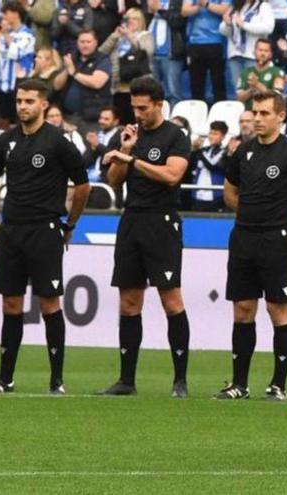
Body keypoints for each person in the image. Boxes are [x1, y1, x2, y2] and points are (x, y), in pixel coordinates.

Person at [0, 79, 91, 395]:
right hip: (12, 230)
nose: (23, 106)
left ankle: (57, 380)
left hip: (45, 229)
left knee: (49, 304)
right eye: (19, 101)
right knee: (11, 304)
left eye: (29, 101)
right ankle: (5, 378)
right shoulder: (7, 140)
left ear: (43, 104)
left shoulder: (58, 141)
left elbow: (83, 186)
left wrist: (69, 225)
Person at [217, 91, 287, 400]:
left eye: (264, 113)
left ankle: (278, 385)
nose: (258, 119)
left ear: (280, 117)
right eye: (255, 113)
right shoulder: (243, 152)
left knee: (278, 308)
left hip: (277, 240)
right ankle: (239, 384)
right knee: (243, 309)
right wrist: (251, 216)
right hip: (244, 237)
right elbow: (229, 192)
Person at [100, 76, 192, 397]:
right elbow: (113, 181)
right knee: (128, 302)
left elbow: (172, 175)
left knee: (170, 299)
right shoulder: (127, 136)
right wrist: (124, 149)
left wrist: (131, 159)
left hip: (162, 222)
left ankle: (179, 380)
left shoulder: (176, 136)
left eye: (143, 108)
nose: (138, 114)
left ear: (158, 105)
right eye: (134, 107)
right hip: (131, 220)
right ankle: (127, 380)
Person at [99, 8, 154, 124]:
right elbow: (102, 52)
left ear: (141, 21)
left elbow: (146, 51)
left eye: (135, 18)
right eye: (129, 18)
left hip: (138, 85)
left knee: (138, 119)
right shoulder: (118, 38)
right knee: (122, 120)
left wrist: (130, 36)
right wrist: (114, 36)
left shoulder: (145, 35)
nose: (131, 21)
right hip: (118, 85)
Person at [54, 30, 112, 131]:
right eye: (82, 42)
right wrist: (67, 70)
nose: (85, 45)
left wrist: (74, 73)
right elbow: (56, 85)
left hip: (92, 118)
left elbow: (97, 83)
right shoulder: (72, 58)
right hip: (68, 116)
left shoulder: (103, 60)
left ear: (95, 43)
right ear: (77, 43)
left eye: (88, 42)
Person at [0, 2, 36, 130]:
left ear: (16, 14)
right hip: (2, 83)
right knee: (3, 120)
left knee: (20, 120)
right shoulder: (5, 33)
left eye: (6, 13)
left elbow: (16, 53)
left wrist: (5, 35)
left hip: (19, 83)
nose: (3, 16)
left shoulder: (28, 34)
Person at [182, 0, 231, 103]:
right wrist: (198, 7)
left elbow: (225, 9)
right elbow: (184, 11)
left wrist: (206, 4)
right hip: (195, 43)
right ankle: (197, 111)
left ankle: (220, 112)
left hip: (216, 42)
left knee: (218, 82)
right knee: (196, 84)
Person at [219, 0, 273, 94]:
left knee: (256, 90)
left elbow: (268, 27)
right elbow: (223, 31)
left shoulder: (263, 6)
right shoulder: (235, 7)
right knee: (239, 91)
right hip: (235, 54)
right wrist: (227, 24)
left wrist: (245, 25)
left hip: (253, 56)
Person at [147, 0, 187, 106]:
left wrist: (160, 10)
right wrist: (150, 11)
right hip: (152, 54)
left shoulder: (178, 2)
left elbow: (178, 21)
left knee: (174, 92)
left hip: (171, 54)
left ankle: (174, 120)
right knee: (152, 93)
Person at [189, 120, 227, 211]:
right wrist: (193, 150)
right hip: (197, 195)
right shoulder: (204, 150)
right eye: (210, 133)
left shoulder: (224, 152)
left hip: (215, 196)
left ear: (223, 136)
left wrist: (198, 150)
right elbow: (191, 165)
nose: (211, 136)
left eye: (215, 134)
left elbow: (211, 165)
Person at [237, 39, 284, 110]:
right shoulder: (246, 72)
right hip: (249, 113)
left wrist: (257, 85)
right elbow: (239, 98)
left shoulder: (278, 72)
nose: (262, 53)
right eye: (260, 50)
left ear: (271, 54)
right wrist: (251, 89)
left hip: (268, 113)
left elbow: (277, 97)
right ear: (254, 52)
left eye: (266, 51)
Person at [82, 106, 120, 185]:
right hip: (89, 177)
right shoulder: (96, 135)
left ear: (116, 121)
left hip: (108, 179)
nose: (102, 121)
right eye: (101, 118)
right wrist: (92, 148)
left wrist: (98, 145)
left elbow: (115, 159)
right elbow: (84, 162)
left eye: (106, 119)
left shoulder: (120, 137)